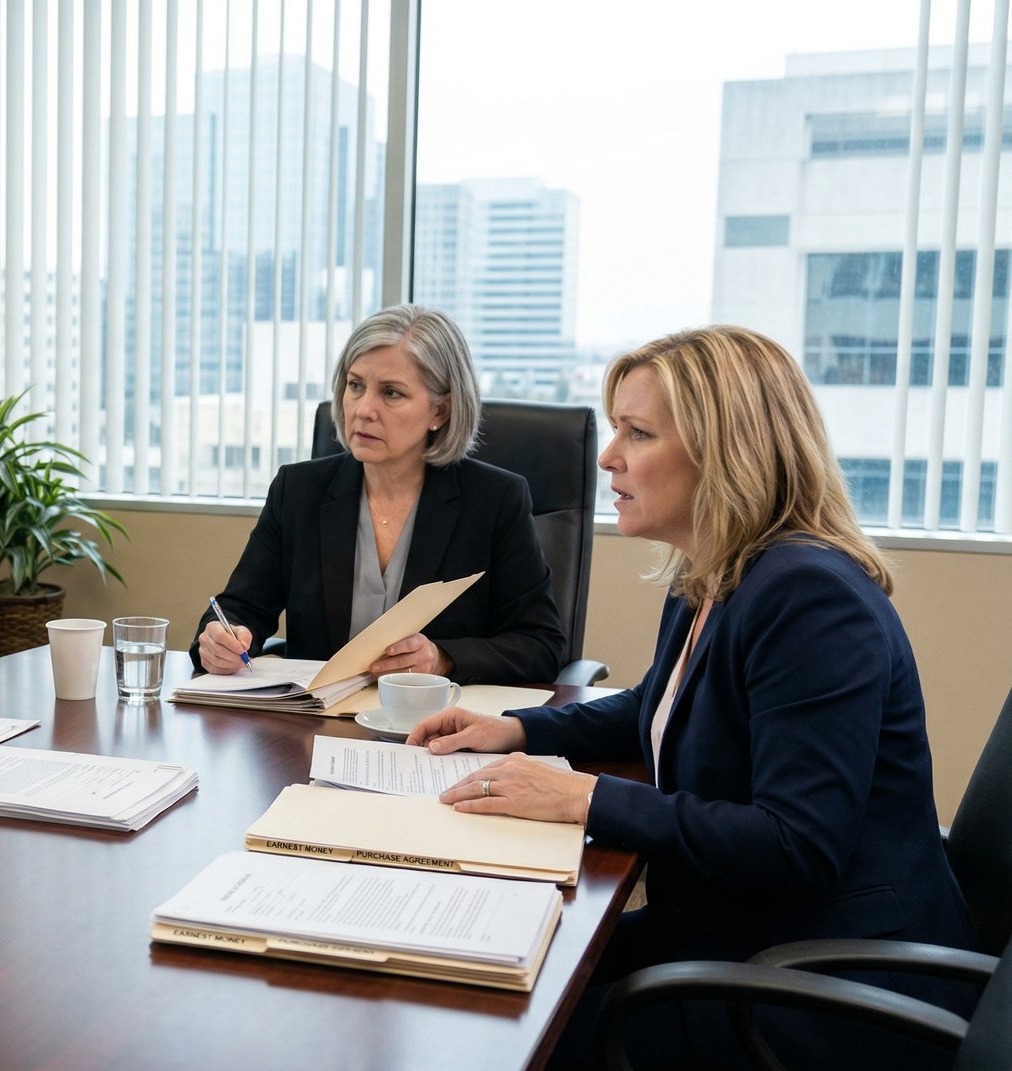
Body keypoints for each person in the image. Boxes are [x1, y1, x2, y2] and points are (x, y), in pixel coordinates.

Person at [408, 325, 978, 1067]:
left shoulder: (811, 598)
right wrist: (518, 729)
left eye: (638, 433)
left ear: (727, 451)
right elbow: (661, 704)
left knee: (513, 1035)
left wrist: (582, 798)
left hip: (828, 979)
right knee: (486, 976)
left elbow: (795, 842)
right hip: (739, 934)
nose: (609, 457)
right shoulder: (711, 573)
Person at [189, 304, 564, 684]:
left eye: (391, 393)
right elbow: (239, 607)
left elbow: (541, 645)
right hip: (313, 725)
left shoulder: (495, 500)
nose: (364, 409)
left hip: (436, 726)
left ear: (441, 411)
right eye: (355, 386)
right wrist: (220, 639)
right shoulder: (299, 490)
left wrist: (442, 659)